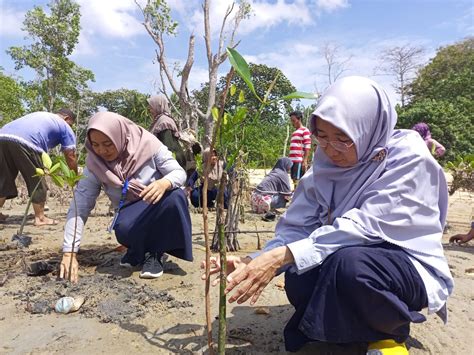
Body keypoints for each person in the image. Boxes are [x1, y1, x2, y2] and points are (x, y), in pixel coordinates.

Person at [202, 76, 453, 354]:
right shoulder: (323, 167)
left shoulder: (407, 157)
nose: (330, 149)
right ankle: (351, 334)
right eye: (321, 137)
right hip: (347, 256)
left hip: (401, 266)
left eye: (343, 138)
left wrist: (281, 257)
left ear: (368, 129)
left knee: (351, 266)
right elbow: (296, 229)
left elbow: (365, 227)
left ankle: (388, 335)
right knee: (300, 276)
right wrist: (255, 260)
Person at [59, 112, 192, 282]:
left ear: (120, 136)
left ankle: (155, 252)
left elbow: (178, 172)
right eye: (96, 145)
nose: (102, 151)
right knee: (124, 229)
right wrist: (69, 251)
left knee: (176, 196)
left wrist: (163, 183)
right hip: (129, 213)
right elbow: (80, 205)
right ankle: (137, 249)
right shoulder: (95, 164)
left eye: (108, 144)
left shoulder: (149, 145)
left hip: (157, 204)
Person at [0, 109, 77, 226]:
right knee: (37, 179)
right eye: (70, 124)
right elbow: (70, 156)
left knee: (3, 178)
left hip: (2, 136)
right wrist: (74, 178)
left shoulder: (41, 115)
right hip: (27, 141)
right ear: (66, 118)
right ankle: (40, 218)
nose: (70, 127)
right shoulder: (64, 126)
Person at [147, 95, 186, 169]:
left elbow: (168, 146)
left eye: (151, 107)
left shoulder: (164, 121)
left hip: (172, 163)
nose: (150, 110)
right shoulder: (159, 120)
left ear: (158, 106)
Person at [288, 111, 311, 188]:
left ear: (299, 119)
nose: (292, 123)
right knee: (293, 178)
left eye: (293, 120)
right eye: (291, 121)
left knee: (297, 179)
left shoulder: (305, 130)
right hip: (292, 160)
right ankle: (295, 195)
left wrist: (305, 160)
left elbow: (307, 145)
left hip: (298, 159)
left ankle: (297, 196)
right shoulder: (294, 132)